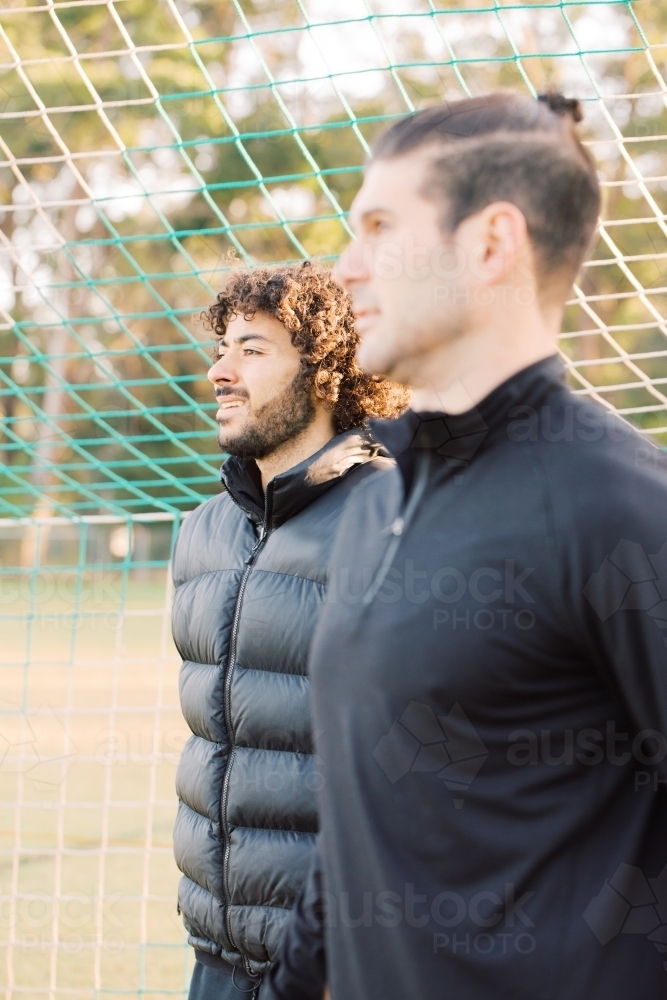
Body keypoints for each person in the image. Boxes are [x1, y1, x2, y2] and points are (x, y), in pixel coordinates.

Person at [265, 92, 667, 1000]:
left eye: (377, 227)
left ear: (489, 244)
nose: (345, 267)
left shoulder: (622, 509)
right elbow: (361, 824)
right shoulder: (373, 506)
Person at [170, 261, 408, 999]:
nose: (220, 371)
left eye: (252, 349)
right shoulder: (202, 533)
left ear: (326, 372)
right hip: (215, 952)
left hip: (338, 962)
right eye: (222, 349)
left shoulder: (395, 518)